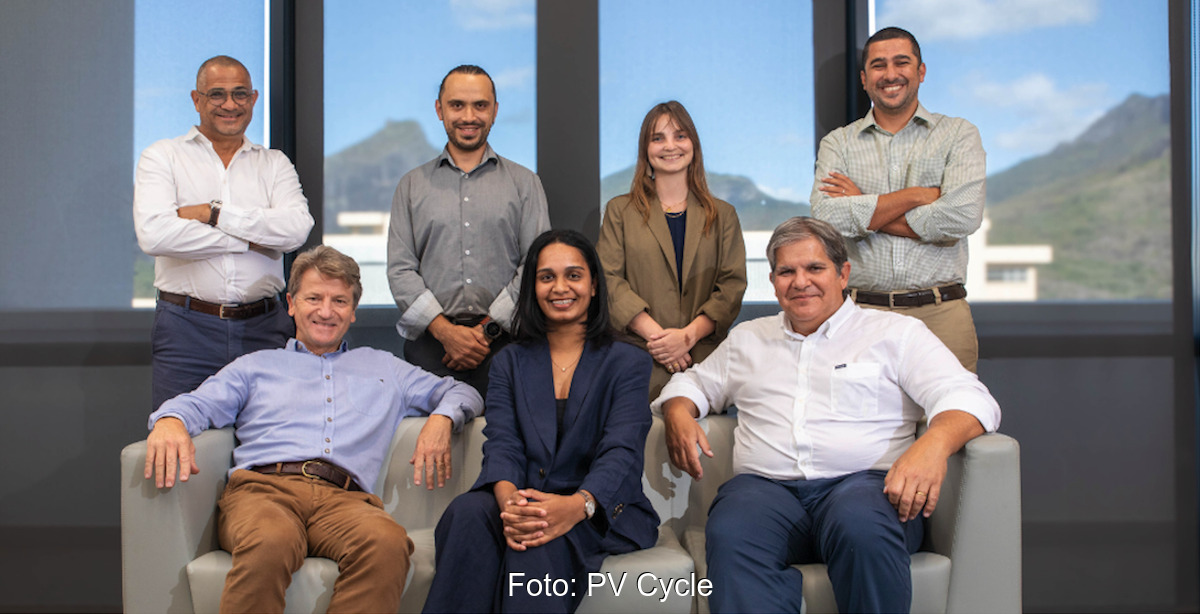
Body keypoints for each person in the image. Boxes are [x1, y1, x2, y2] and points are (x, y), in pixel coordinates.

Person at [655, 217, 1001, 613]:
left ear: (843, 274)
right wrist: (680, 410)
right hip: (766, 493)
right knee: (733, 528)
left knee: (861, 525)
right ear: (773, 281)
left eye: (814, 268)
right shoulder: (749, 339)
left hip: (864, 489)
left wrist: (934, 445)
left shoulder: (895, 333)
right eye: (787, 271)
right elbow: (692, 384)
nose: (800, 281)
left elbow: (971, 396)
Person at [143, 245, 483, 613]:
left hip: (346, 500)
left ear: (353, 311)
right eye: (314, 298)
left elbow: (463, 391)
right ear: (291, 303)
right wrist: (169, 421)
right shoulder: (255, 366)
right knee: (271, 539)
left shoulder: (385, 368)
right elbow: (197, 403)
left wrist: (442, 417)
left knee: (388, 542)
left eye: (339, 301)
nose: (326, 311)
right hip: (263, 492)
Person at [423, 230, 660, 613]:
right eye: (546, 277)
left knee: (536, 544)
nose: (560, 287)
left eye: (573, 275)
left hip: (597, 506)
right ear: (532, 287)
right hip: (524, 495)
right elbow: (503, 443)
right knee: (466, 514)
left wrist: (575, 506)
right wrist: (511, 504)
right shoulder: (510, 362)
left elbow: (623, 450)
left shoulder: (628, 362)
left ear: (594, 285)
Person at [134, 55, 314, 411]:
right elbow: (155, 235)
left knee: (270, 446)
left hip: (264, 327)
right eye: (217, 94)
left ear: (254, 98)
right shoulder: (162, 157)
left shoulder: (274, 163)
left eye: (240, 94)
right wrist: (253, 239)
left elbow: (296, 231)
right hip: (187, 329)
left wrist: (212, 214)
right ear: (196, 99)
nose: (230, 104)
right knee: (182, 445)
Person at [811, 27, 985, 372]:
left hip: (942, 315)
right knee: (863, 423)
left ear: (920, 72)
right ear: (864, 79)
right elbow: (827, 217)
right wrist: (917, 196)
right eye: (878, 66)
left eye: (901, 62)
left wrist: (864, 206)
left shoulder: (958, 135)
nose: (890, 74)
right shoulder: (838, 144)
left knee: (947, 420)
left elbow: (961, 219)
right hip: (862, 316)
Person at [388, 64, 551, 397]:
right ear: (439, 109)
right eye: (457, 105)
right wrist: (446, 332)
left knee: (508, 445)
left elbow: (537, 265)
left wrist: (486, 332)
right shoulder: (411, 186)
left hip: (507, 345)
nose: (469, 116)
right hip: (430, 348)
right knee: (430, 445)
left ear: (494, 111)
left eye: (480, 105)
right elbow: (401, 270)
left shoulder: (524, 183)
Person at [597, 101, 747, 398]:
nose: (670, 146)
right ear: (646, 149)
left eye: (680, 136)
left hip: (702, 360)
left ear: (693, 144)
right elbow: (609, 282)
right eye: (658, 138)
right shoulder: (619, 210)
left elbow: (731, 287)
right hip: (637, 358)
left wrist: (687, 337)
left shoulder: (723, 214)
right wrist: (661, 341)